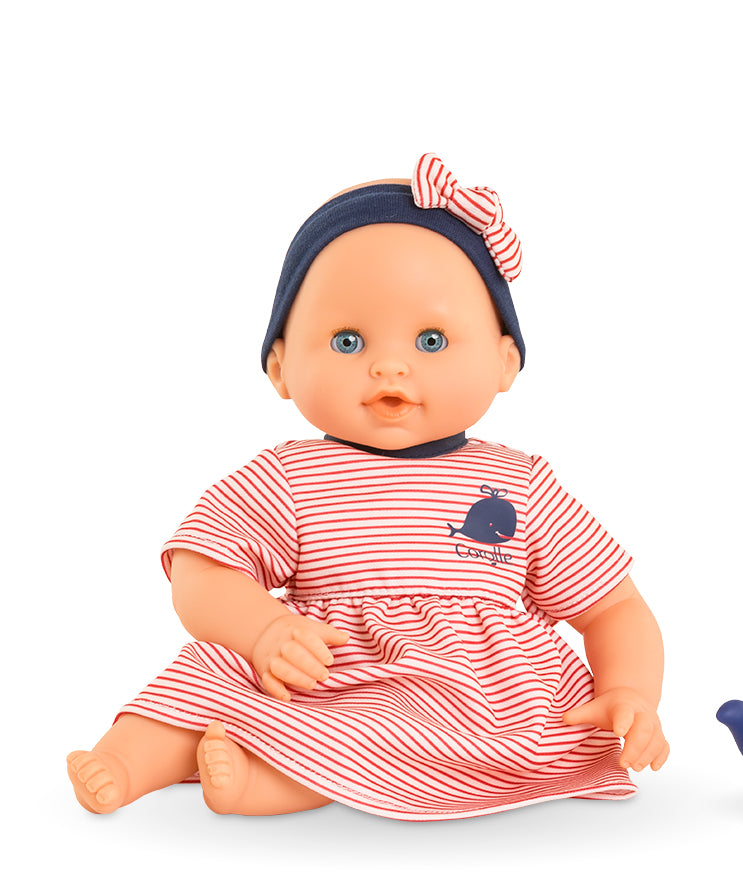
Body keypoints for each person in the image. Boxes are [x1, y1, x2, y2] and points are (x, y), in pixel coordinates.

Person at [67, 154, 669, 820]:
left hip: (471, 695)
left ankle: (270, 779)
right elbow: (201, 569)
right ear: (280, 366)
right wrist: (264, 630)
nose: (389, 365)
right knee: (210, 665)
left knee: (413, 724)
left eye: (431, 340)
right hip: (319, 669)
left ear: (504, 360)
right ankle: (125, 762)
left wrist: (630, 691)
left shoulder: (518, 484)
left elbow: (612, 608)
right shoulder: (288, 477)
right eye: (348, 341)